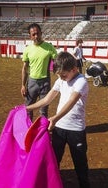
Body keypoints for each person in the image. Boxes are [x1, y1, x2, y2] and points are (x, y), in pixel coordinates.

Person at [26, 51, 90, 188]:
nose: (61, 78)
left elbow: (71, 102)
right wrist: (27, 108)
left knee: (80, 164)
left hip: (76, 130)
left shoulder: (81, 81)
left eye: (64, 75)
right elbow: (47, 99)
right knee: (54, 161)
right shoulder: (61, 80)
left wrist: (55, 118)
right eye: (59, 76)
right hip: (59, 129)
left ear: (74, 69)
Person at [21, 23, 57, 121]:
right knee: (28, 108)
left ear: (41, 33)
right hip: (31, 83)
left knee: (44, 110)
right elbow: (24, 68)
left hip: (45, 82)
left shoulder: (49, 47)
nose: (36, 36)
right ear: (30, 36)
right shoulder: (28, 50)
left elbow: (57, 62)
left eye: (37, 33)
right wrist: (23, 85)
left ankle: (42, 132)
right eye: (33, 35)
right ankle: (28, 130)